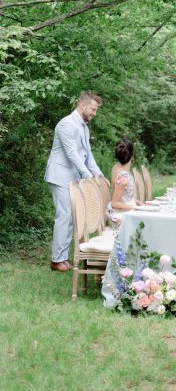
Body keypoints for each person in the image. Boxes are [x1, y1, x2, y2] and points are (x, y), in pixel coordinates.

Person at [45, 92, 103, 272]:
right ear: (83, 105)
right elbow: (72, 155)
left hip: (71, 177)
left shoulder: (84, 127)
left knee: (71, 216)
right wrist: (88, 177)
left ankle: (62, 256)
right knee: (65, 215)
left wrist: (98, 176)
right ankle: (56, 260)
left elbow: (87, 154)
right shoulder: (66, 124)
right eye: (93, 109)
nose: (94, 113)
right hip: (60, 176)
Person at [107, 138, 138, 224]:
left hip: (126, 208)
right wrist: (135, 208)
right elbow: (115, 203)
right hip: (122, 215)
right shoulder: (123, 175)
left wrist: (139, 203)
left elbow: (124, 195)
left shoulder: (116, 167)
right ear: (132, 154)